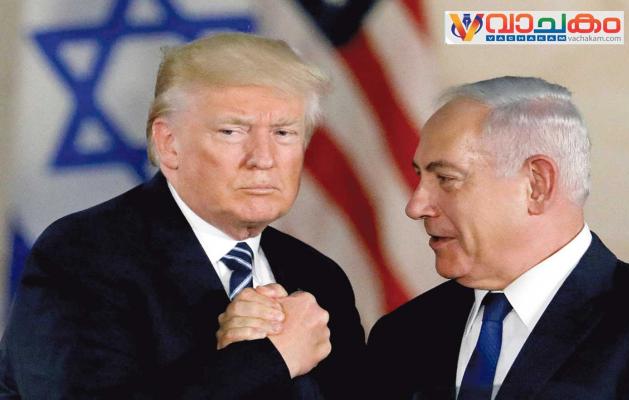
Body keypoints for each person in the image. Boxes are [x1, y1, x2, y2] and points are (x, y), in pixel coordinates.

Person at [0, 33, 365, 399]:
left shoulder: (319, 277)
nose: (263, 158)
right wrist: (269, 358)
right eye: (232, 131)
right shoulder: (84, 256)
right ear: (169, 144)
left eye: (283, 133)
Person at [367, 76, 629, 399]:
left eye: (445, 178)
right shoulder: (400, 336)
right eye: (419, 177)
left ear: (537, 184)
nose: (416, 206)